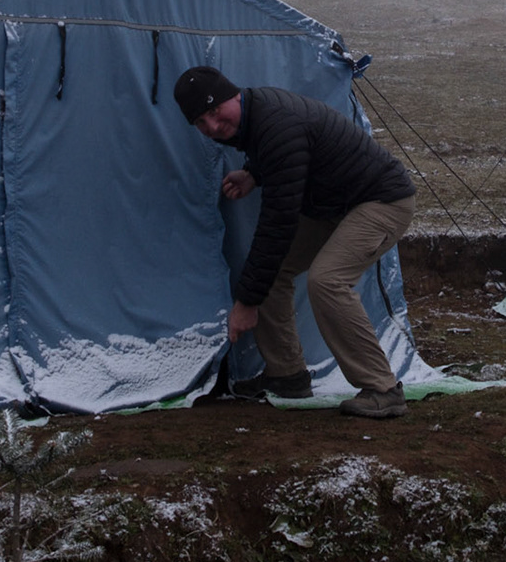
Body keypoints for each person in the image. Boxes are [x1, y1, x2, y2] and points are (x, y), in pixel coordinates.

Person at [173, 65, 416, 419]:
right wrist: (255, 174)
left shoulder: (276, 121)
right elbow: (286, 154)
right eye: (200, 123)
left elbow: (278, 222)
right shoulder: (257, 113)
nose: (211, 127)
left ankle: (382, 388)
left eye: (213, 112)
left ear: (232, 94)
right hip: (335, 205)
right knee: (271, 273)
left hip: (382, 201)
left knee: (327, 280)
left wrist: (246, 302)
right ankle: (288, 375)